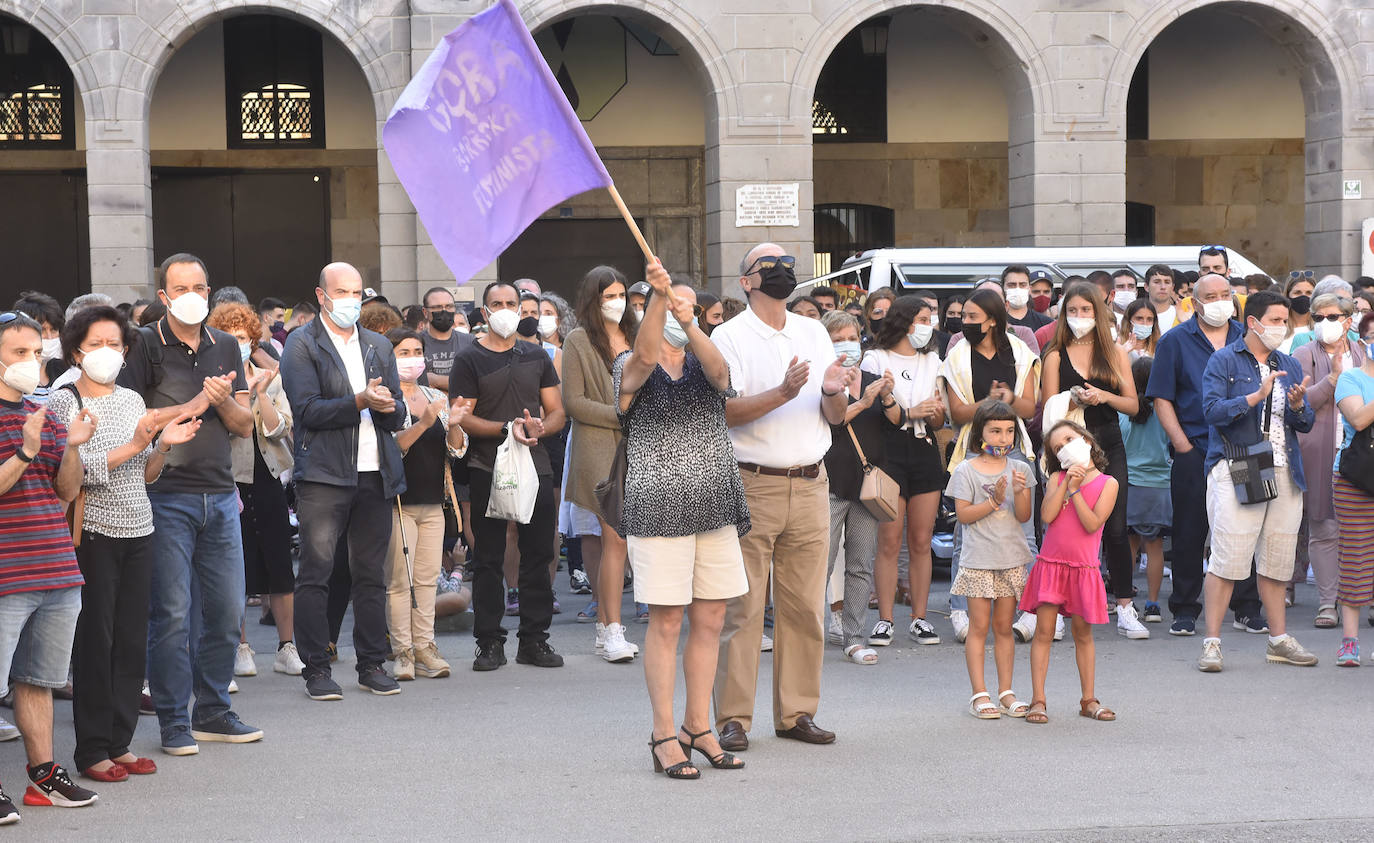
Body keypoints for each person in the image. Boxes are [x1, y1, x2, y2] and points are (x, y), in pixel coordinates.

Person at [118, 254, 263, 755]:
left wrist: (222, 400)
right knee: (173, 615)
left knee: (225, 611)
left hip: (221, 496)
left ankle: (214, 710)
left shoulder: (225, 344)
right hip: (165, 496)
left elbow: (245, 424)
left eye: (200, 286)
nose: (192, 295)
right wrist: (199, 402)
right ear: (163, 296)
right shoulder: (141, 343)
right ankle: (174, 721)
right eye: (181, 287)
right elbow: (134, 420)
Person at [712, 243, 854, 752]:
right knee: (743, 609)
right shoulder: (727, 336)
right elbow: (724, 413)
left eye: (786, 263)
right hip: (754, 481)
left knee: (803, 608)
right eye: (767, 265)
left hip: (812, 481)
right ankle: (732, 717)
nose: (781, 271)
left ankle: (797, 712)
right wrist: (783, 392)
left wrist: (835, 390)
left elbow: (833, 417)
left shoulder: (812, 331)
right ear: (746, 281)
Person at [48, 306, 199, 783]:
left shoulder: (134, 399)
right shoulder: (65, 400)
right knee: (97, 641)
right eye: (96, 344)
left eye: (116, 344)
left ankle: (121, 741)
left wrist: (162, 445)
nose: (107, 353)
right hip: (93, 532)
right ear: (76, 350)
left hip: (140, 527)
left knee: (132, 640)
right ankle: (92, 749)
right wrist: (137, 444)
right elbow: (76, 477)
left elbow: (147, 475)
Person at [617, 264, 749, 780]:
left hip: (714, 503)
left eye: (686, 304)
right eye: (672, 305)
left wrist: (690, 321)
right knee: (667, 620)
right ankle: (664, 734)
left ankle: (700, 727)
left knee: (711, 618)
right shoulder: (629, 364)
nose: (678, 311)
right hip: (658, 507)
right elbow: (646, 356)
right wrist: (658, 295)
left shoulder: (704, 360)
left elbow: (723, 378)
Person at [280, 262, 407, 701]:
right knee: (317, 572)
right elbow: (308, 410)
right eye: (343, 292)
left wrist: (389, 405)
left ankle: (372, 663)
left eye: (357, 292)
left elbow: (399, 413)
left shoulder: (377, 345)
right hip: (323, 474)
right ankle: (316, 666)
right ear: (322, 295)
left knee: (370, 573)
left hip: (376, 472)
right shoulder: (301, 343)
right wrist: (359, 400)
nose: (352, 300)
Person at [0, 310, 98, 816]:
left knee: (38, 678)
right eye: (19, 352)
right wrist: (25, 450)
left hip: (57, 567)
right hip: (8, 573)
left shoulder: (46, 413)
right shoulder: (24, 426)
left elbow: (65, 491)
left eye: (36, 353)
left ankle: (43, 777)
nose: (31, 363)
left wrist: (71, 448)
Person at [1197, 289, 1318, 672]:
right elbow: (1213, 412)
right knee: (1229, 557)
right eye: (1277, 320)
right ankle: (1212, 643)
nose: (1283, 328)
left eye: (1286, 321)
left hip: (1284, 467)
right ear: (1253, 322)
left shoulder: (1289, 363)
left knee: (1278, 558)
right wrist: (1254, 396)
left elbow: (1307, 423)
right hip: (1242, 462)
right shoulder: (1223, 359)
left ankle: (1278, 640)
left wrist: (1298, 405)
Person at [449, 281, 566, 671]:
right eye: (496, 303)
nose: (504, 309)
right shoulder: (469, 359)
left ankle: (534, 640)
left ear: (522, 309)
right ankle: (489, 643)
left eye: (511, 303)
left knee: (538, 554)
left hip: (535, 466)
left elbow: (557, 411)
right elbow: (462, 417)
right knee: (488, 558)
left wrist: (539, 429)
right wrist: (505, 429)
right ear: (484, 312)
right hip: (487, 467)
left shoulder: (538, 356)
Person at [1041, 281, 1146, 640]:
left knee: (1115, 528)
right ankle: (1054, 608)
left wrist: (1102, 396)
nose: (1080, 317)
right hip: (1069, 447)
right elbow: (1048, 411)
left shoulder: (1114, 352)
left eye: (1086, 310)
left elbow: (1132, 404)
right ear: (1063, 314)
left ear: (1098, 313)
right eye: (1073, 311)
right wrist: (1072, 400)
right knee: (1061, 528)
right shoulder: (1054, 355)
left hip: (1109, 444)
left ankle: (1125, 606)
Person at [206, 303, 305, 678]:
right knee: (237, 568)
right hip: (230, 479)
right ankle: (240, 646)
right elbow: (228, 429)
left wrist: (261, 394)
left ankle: (286, 646)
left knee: (280, 563)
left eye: (244, 337)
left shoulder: (271, 377)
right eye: (230, 337)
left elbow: (282, 428)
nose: (238, 343)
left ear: (253, 339)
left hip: (269, 477)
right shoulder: (214, 384)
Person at [937, 289, 1040, 642]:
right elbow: (956, 413)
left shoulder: (1021, 353)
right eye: (963, 316)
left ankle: (1027, 611)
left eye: (971, 317)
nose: (964, 323)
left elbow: (1029, 408)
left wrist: (1010, 400)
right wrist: (988, 402)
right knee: (966, 535)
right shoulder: (957, 355)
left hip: (1015, 452)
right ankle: (960, 609)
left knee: (1024, 532)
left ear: (992, 320)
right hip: (972, 454)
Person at [561, 267, 640, 662]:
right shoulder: (577, 340)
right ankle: (612, 630)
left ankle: (605, 627)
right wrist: (621, 415)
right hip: (597, 447)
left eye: (621, 294)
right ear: (594, 299)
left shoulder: (638, 335)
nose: (617, 301)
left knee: (623, 541)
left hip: (642, 447)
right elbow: (573, 402)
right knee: (615, 538)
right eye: (609, 295)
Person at [860, 296, 946, 646]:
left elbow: (941, 417)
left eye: (930, 319)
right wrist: (912, 411)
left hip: (924, 451)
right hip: (888, 451)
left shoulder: (933, 360)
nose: (928, 325)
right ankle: (884, 618)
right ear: (905, 321)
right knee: (889, 540)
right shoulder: (875, 358)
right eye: (923, 318)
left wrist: (927, 412)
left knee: (922, 539)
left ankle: (920, 617)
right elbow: (873, 410)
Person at [384, 328, 469, 680]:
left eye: (417, 350)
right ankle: (401, 651)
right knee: (400, 582)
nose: (413, 357)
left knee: (426, 581)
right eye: (404, 352)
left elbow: (455, 451)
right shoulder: (387, 399)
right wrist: (427, 421)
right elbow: (395, 448)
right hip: (398, 504)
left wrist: (454, 426)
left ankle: (425, 647)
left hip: (434, 503)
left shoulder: (434, 394)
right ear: (390, 356)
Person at [1021, 421, 1118, 724]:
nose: (1064, 448)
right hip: (1052, 565)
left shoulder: (1108, 483)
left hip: (1084, 569)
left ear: (1087, 440)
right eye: (1057, 448)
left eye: (1069, 440)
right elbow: (1047, 516)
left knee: (1083, 634)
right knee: (1044, 633)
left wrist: (1075, 492)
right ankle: (1039, 699)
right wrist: (1065, 485)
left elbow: (1092, 524)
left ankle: (1088, 699)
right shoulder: (1056, 478)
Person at [948, 400, 1035, 720]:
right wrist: (994, 500)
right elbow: (963, 516)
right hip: (978, 561)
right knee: (979, 627)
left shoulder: (1021, 469)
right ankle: (979, 693)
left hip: (1011, 559)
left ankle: (1006, 691)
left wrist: (1021, 493)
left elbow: (1025, 516)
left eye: (1009, 431)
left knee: (1004, 627)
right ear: (978, 433)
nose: (1002, 438)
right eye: (995, 431)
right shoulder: (965, 470)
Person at [820, 310, 897, 664]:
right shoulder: (821, 383)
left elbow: (895, 424)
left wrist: (887, 398)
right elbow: (829, 423)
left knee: (860, 564)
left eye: (852, 337)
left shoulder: (870, 377)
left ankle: (854, 636)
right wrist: (863, 402)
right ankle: (807, 634)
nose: (847, 345)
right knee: (818, 564)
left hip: (867, 486)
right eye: (838, 338)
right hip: (830, 483)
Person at [1293, 294, 1359, 628]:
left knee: (1360, 530)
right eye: (1318, 317)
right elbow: (1302, 404)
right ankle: (1327, 603)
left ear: (1349, 319)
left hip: (1358, 453)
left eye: (1332, 316)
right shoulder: (1304, 353)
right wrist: (1332, 378)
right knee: (1323, 527)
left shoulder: (1363, 353)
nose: (1324, 323)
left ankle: (1361, 600)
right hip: (1319, 451)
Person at [1333, 312, 1374, 664]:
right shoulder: (1350, 378)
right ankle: (1350, 641)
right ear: (1364, 342)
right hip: (1355, 480)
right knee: (1357, 558)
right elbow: (1359, 419)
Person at [1120, 356, 1171, 623]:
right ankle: (1153, 604)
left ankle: (1126, 601)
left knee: (1127, 547)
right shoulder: (1166, 411)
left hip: (1129, 485)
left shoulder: (1123, 413)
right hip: (1159, 486)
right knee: (1154, 549)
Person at [11, 291, 65, 403]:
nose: (49, 337)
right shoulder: (9, 377)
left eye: (54, 330)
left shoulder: (63, 372)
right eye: (42, 330)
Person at [420, 286, 473, 394]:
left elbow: (475, 383)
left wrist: (435, 380)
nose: (444, 311)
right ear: (425, 312)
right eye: (437, 307)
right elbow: (415, 384)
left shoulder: (470, 342)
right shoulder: (415, 342)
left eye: (449, 306)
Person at [1001, 265, 1053, 332]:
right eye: (1011, 285)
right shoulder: (995, 322)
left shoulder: (1046, 323)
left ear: (1029, 289)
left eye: (1022, 285)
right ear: (1003, 288)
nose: (1017, 289)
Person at [1280, 274, 1316, 353]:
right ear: (1287, 295)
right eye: (1297, 292)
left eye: (1309, 293)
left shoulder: (1320, 329)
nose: (1303, 297)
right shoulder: (1278, 328)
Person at [1143, 265, 1178, 333]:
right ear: (1146, 287)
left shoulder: (1181, 314)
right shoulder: (1136, 315)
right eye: (1157, 282)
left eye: (1167, 282)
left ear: (1172, 287)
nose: (1163, 287)